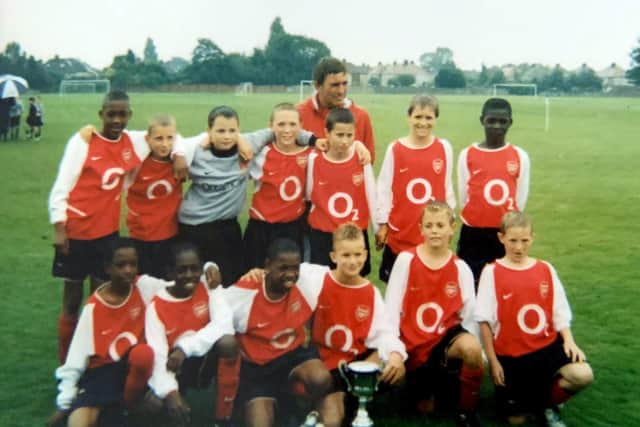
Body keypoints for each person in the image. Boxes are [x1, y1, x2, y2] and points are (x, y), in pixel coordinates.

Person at [48, 90, 152, 363]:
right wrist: (59, 226)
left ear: (129, 115)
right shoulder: (83, 142)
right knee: (71, 299)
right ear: (101, 114)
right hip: (76, 234)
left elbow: (171, 136)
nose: (117, 119)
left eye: (122, 114)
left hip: (107, 237)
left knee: (98, 301)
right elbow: (62, 185)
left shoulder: (134, 141)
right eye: (111, 114)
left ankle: (92, 357)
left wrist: (177, 155)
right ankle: (66, 363)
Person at [475, 211, 593, 426]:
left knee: (582, 375)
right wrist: (493, 362)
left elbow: (559, 311)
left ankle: (550, 406)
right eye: (512, 240)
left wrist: (569, 340)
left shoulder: (545, 269)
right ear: (501, 238)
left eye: (524, 240)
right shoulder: (491, 272)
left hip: (545, 348)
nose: (519, 247)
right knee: (516, 420)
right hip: (512, 355)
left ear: (532, 238)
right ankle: (535, 398)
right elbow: (484, 322)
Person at [175, 105, 313, 286]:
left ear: (239, 131)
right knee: (196, 281)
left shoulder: (248, 146)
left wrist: (314, 139)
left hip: (228, 225)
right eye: (220, 131)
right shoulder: (198, 151)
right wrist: (178, 154)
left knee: (233, 280)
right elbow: (174, 141)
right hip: (194, 226)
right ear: (209, 131)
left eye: (232, 131)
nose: (226, 136)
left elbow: (280, 132)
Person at [46, 238, 169, 427]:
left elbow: (178, 286)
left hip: (131, 372)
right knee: (80, 422)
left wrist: (210, 269)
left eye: (133, 264)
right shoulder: (94, 307)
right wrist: (65, 401)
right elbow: (76, 358)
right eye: (121, 265)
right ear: (107, 268)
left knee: (143, 355)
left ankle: (128, 407)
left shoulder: (144, 287)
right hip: (101, 375)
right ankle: (86, 411)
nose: (128, 270)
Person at [385, 201, 483, 427]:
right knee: (425, 409)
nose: (435, 231)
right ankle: (434, 381)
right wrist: (395, 351)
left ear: (452, 227)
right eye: (429, 225)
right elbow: (391, 309)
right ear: (420, 228)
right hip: (414, 344)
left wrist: (477, 357)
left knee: (471, 349)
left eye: (440, 225)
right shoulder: (406, 261)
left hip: (446, 340)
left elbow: (470, 316)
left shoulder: (461, 268)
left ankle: (466, 412)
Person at [221, 238, 333, 427]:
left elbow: (341, 272)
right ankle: (276, 405)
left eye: (294, 268)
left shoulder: (306, 278)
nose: (290, 274)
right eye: (283, 268)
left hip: (292, 357)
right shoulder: (245, 292)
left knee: (321, 378)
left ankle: (301, 406)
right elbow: (214, 309)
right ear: (267, 265)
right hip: (258, 368)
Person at [306, 223, 406, 426]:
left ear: (366, 254)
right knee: (333, 421)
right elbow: (280, 271)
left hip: (355, 364)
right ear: (333, 256)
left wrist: (396, 355)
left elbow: (385, 333)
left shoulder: (371, 292)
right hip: (324, 368)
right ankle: (333, 405)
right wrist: (256, 273)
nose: (353, 262)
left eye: (358, 255)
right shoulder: (315, 278)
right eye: (346, 255)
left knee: (396, 364)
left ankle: (352, 402)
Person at [145, 242, 240, 426]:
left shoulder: (209, 284)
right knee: (153, 404)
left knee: (228, 343)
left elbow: (224, 323)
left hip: (204, 361)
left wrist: (185, 349)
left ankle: (223, 417)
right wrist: (170, 392)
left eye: (194, 269)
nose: (189, 275)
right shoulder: (156, 307)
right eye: (182, 270)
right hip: (174, 366)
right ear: (170, 273)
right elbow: (158, 355)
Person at [376, 95, 456, 283]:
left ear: (435, 119)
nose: (423, 123)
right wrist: (382, 223)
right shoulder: (395, 148)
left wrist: (450, 219)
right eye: (418, 117)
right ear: (409, 117)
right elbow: (384, 188)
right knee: (398, 287)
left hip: (432, 231)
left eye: (429, 118)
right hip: (401, 231)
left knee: (429, 284)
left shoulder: (444, 148)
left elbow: (446, 186)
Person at [457, 98, 530, 283]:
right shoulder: (467, 154)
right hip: (473, 235)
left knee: (502, 283)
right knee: (471, 283)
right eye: (491, 121)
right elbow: (464, 196)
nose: (497, 126)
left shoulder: (520, 156)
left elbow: (519, 198)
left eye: (502, 121)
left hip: (504, 234)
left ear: (510, 123)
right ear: (482, 120)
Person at [306, 108, 376, 276]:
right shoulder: (314, 159)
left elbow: (371, 195)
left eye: (349, 135)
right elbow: (309, 194)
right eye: (339, 135)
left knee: (354, 282)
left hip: (354, 234)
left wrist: (379, 227)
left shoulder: (361, 159)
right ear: (327, 133)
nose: (345, 141)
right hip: (323, 235)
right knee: (323, 283)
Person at [243, 103, 313, 268]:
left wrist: (359, 146)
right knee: (254, 278)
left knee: (288, 280)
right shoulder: (261, 154)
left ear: (301, 126)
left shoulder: (310, 155)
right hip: (260, 229)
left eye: (292, 124)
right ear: (270, 126)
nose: (287, 130)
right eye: (281, 124)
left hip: (292, 229)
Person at [125, 114, 182, 279]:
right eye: (158, 139)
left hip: (169, 233)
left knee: (166, 280)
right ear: (148, 139)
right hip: (140, 233)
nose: (165, 144)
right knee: (143, 281)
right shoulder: (137, 161)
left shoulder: (179, 161)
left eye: (170, 138)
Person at [298, 57, 376, 162]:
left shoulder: (361, 116)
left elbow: (368, 163)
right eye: (335, 85)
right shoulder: (297, 115)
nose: (341, 91)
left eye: (344, 83)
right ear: (317, 86)